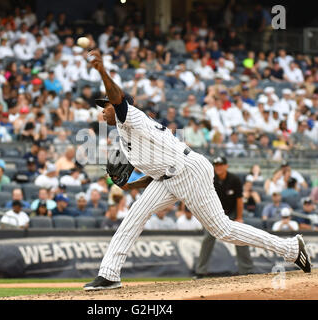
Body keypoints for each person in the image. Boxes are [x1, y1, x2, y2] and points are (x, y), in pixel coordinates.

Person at [83, 49, 310, 291]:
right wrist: (130, 185)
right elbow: (159, 173)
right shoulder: (127, 134)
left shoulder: (130, 117)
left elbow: (117, 99)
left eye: (104, 105)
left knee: (222, 229)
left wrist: (102, 70)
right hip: (170, 176)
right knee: (134, 215)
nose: (102, 110)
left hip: (189, 171)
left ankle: (290, 248)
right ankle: (109, 274)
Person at [196, 156, 253, 277]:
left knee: (241, 236)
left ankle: (246, 270)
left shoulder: (234, 179)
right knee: (207, 239)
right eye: (216, 165)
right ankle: (201, 271)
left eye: (221, 165)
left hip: (231, 212)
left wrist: (239, 217)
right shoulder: (210, 179)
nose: (218, 167)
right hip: (215, 214)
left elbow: (239, 200)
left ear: (226, 166)